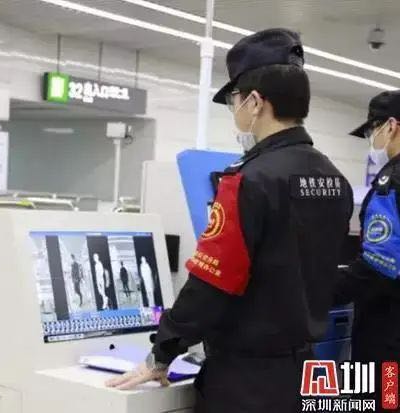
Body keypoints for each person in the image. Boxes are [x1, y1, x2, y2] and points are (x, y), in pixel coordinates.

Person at [107, 28, 353, 413]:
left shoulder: (249, 180)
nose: (234, 108)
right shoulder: (335, 180)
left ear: (254, 102)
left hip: (246, 383)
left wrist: (162, 352)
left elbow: (212, 282)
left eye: (233, 98)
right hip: (309, 374)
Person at [335, 90, 400, 411]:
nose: (371, 140)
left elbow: (379, 264)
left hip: (386, 334)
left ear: (391, 126)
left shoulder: (391, 182)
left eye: (371, 130)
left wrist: (320, 291)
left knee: (383, 402)